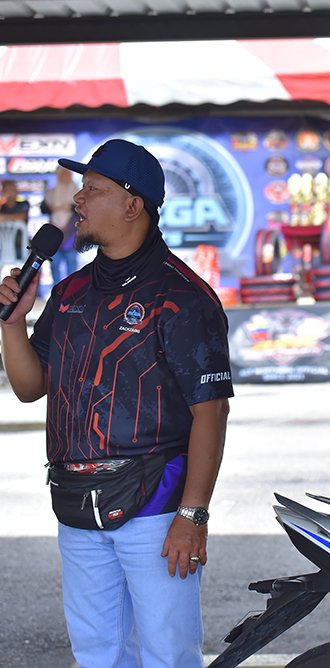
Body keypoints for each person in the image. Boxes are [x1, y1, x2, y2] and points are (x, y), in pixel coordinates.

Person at [0, 138, 233, 667]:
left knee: (167, 654)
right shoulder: (70, 292)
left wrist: (193, 514)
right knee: (97, 654)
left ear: (133, 205)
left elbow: (211, 412)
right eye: (82, 189)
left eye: (93, 189)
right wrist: (13, 325)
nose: (78, 200)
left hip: (156, 506)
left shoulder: (182, 296)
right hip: (75, 501)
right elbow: (30, 387)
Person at [43, 166, 81, 286]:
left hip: (71, 235)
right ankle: (56, 292)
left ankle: (72, 291)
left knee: (72, 266)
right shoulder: (51, 193)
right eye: (63, 174)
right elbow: (43, 208)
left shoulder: (78, 193)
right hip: (55, 235)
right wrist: (52, 208)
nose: (65, 177)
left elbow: (82, 209)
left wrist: (69, 207)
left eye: (67, 174)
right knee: (55, 265)